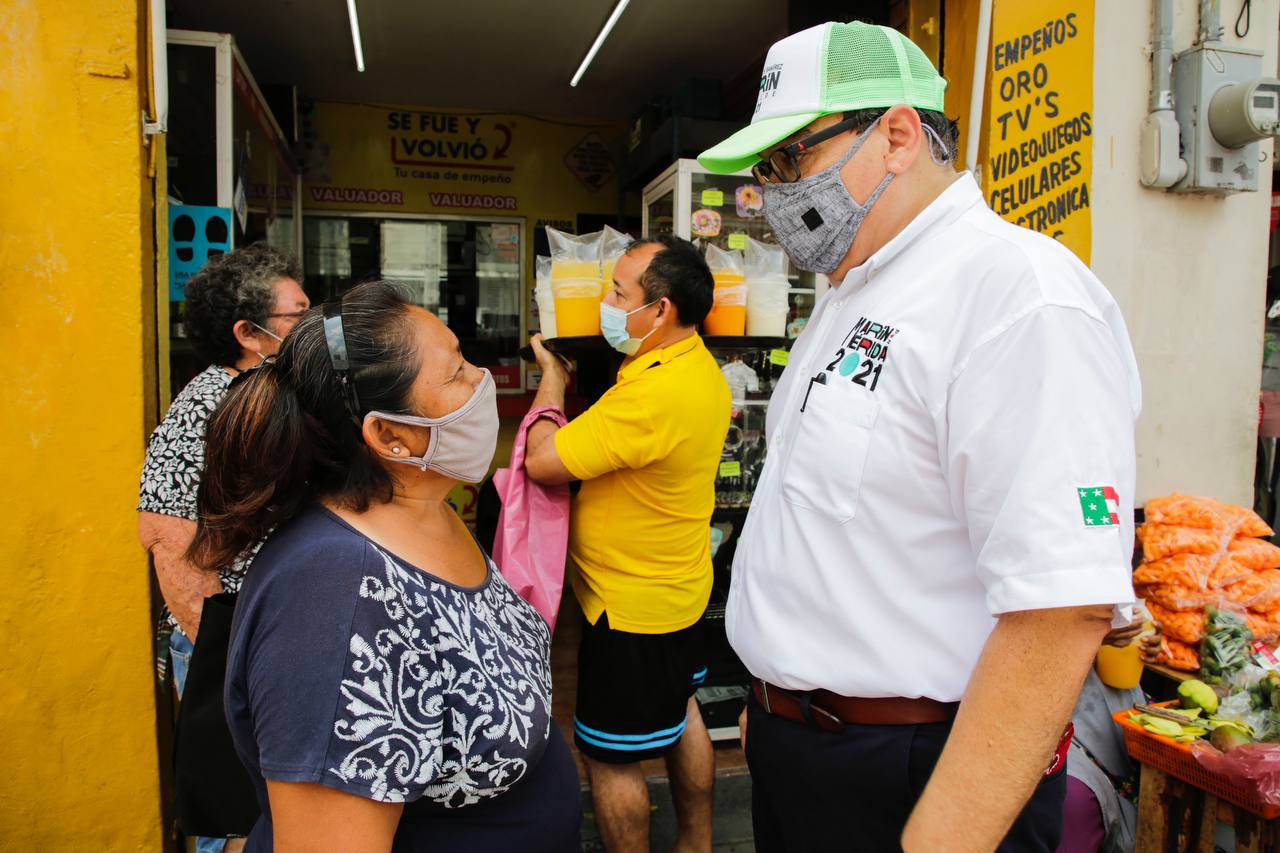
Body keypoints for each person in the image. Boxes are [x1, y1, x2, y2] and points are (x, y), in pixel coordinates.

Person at [697, 21, 1142, 852]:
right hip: (804, 752)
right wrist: (774, 700)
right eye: (765, 170)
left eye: (790, 160)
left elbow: (1061, 607)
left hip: (923, 773)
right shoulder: (847, 291)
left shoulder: (1017, 295)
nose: (772, 193)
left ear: (897, 135)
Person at [187, 280, 581, 852]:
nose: (481, 383)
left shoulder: (425, 510)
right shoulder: (333, 598)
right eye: (456, 373)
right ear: (389, 434)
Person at [524, 235, 732, 853]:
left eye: (618, 292)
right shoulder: (694, 364)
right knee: (681, 710)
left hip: (631, 608)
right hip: (680, 588)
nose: (606, 303)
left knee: (611, 757)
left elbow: (541, 462)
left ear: (661, 310)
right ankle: (695, 843)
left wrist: (552, 380)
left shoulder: (651, 397)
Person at [136, 243, 307, 853]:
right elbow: (165, 533)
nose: (311, 327)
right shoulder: (205, 407)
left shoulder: (273, 397)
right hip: (226, 634)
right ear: (250, 333)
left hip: (267, 631)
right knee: (233, 807)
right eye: (297, 316)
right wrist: (219, 655)